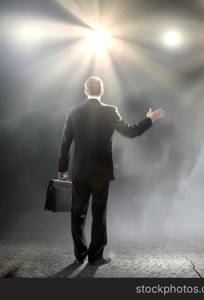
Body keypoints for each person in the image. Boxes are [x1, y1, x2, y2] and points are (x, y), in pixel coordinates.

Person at [58, 76, 165, 265]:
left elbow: (66, 143)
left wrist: (62, 169)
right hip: (102, 172)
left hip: (80, 171)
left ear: (85, 91)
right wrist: (149, 119)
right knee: (99, 214)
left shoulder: (73, 112)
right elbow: (130, 132)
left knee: (77, 214)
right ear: (102, 91)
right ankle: (95, 257)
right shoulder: (110, 111)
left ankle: (79, 256)